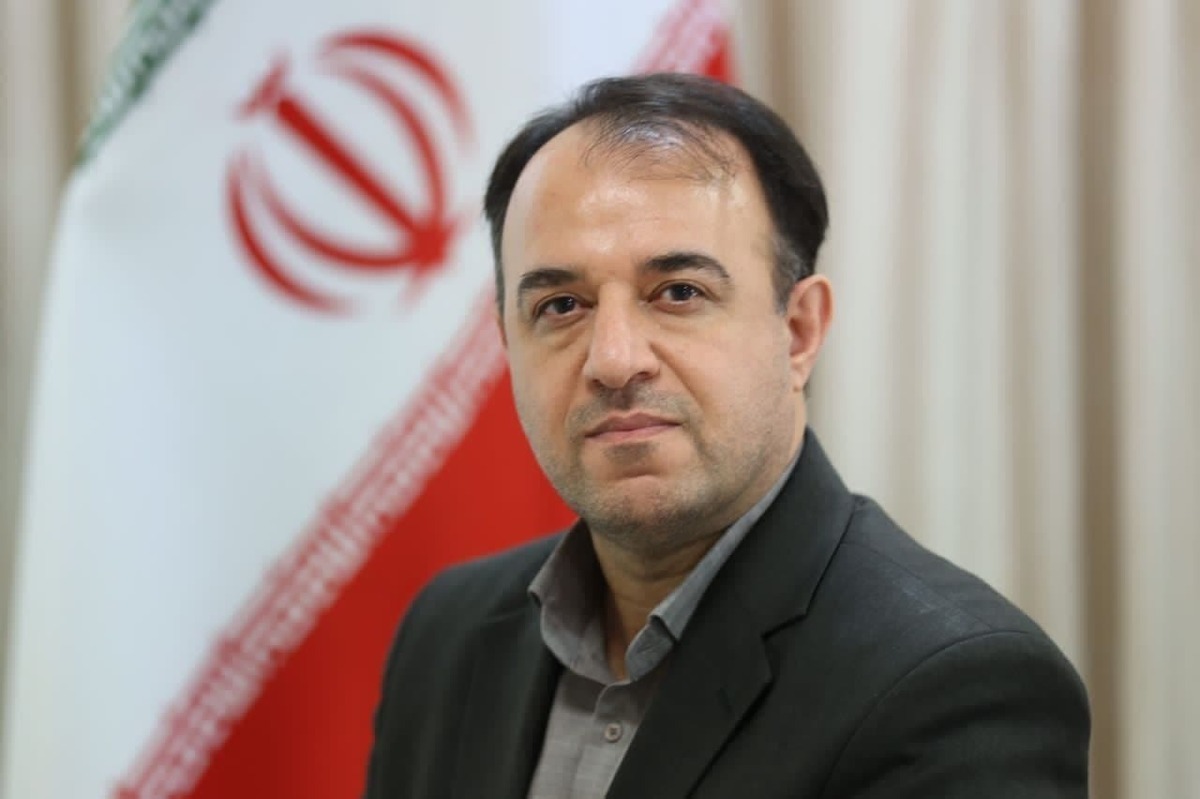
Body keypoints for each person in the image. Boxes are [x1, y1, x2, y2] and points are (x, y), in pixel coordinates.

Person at [364, 73, 1090, 798]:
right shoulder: (447, 633)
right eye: (561, 306)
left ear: (798, 331)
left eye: (679, 292)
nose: (613, 359)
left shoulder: (954, 687)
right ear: (508, 344)